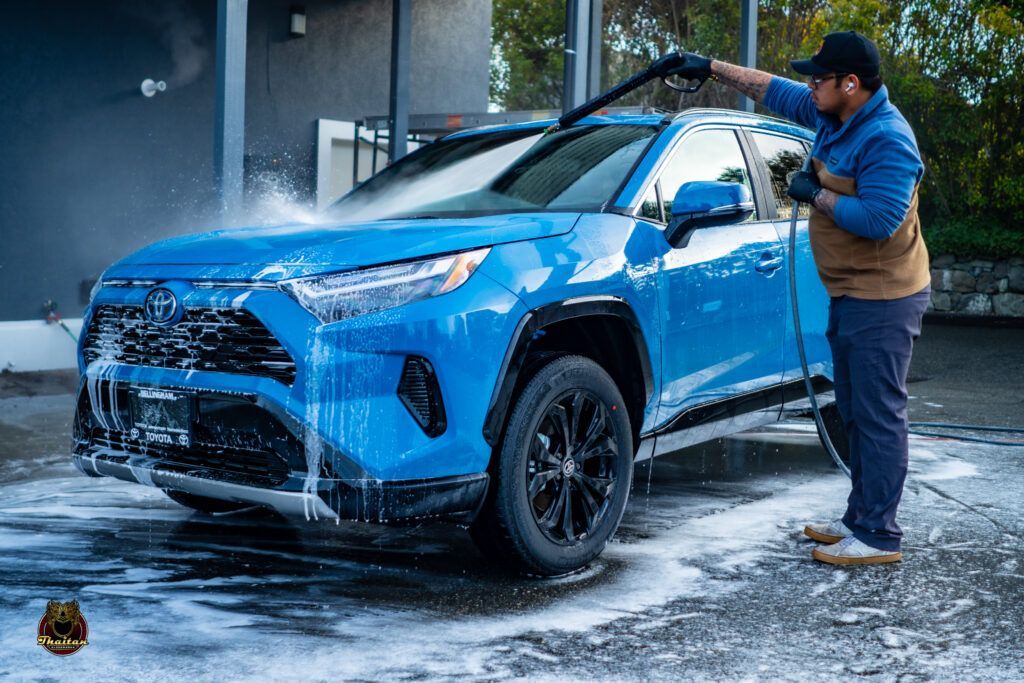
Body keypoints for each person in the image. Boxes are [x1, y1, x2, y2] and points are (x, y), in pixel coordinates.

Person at [670, 32, 931, 565]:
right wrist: (710, 66)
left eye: (819, 78)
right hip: (850, 291)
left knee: (879, 414)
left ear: (850, 84)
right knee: (856, 410)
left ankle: (879, 537)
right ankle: (860, 517)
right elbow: (774, 90)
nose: (809, 86)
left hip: (883, 296)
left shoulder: (886, 139)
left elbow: (880, 220)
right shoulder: (834, 114)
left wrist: (818, 194)